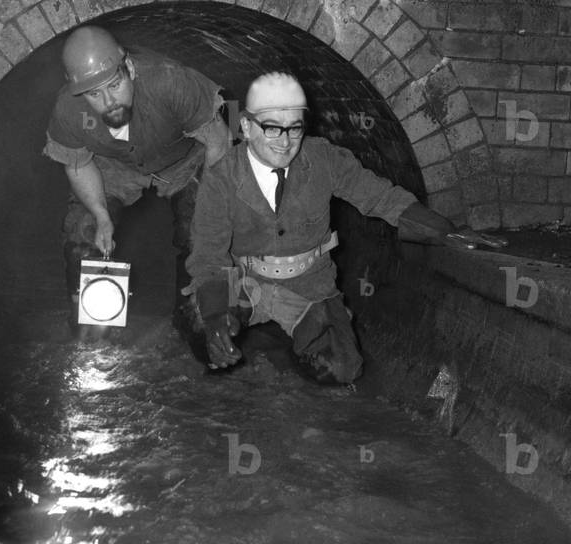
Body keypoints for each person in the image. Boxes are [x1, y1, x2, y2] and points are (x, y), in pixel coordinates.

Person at [185, 71, 480, 385]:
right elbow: (210, 258)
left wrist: (443, 230)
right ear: (245, 126)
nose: (285, 142)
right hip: (244, 280)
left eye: (295, 128)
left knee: (341, 367)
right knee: (207, 331)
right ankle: (211, 334)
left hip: (308, 283)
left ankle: (297, 362)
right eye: (272, 128)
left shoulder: (323, 158)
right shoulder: (222, 177)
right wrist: (216, 313)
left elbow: (379, 197)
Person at [43, 24, 231, 318]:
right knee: (84, 235)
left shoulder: (170, 81)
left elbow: (218, 141)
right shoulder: (68, 109)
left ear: (128, 67)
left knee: (201, 237)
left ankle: (198, 321)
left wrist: (209, 209)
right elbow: (78, 163)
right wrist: (101, 215)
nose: (109, 103)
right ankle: (89, 325)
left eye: (114, 86)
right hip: (113, 166)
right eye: (94, 94)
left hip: (184, 160)